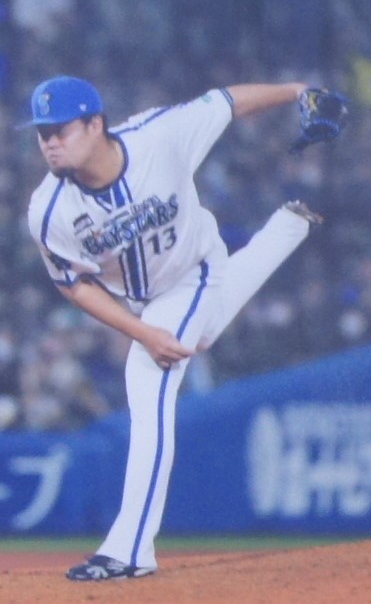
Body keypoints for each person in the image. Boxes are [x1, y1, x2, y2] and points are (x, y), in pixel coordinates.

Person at [20, 74, 327, 582]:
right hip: (144, 299)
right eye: (42, 132)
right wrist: (140, 330)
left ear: (95, 124)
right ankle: (289, 227)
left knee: (147, 382)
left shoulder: (158, 137)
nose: (50, 142)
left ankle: (130, 548)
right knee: (197, 336)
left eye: (61, 129)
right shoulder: (48, 209)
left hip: (193, 270)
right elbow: (74, 286)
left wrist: (296, 90)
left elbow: (226, 102)